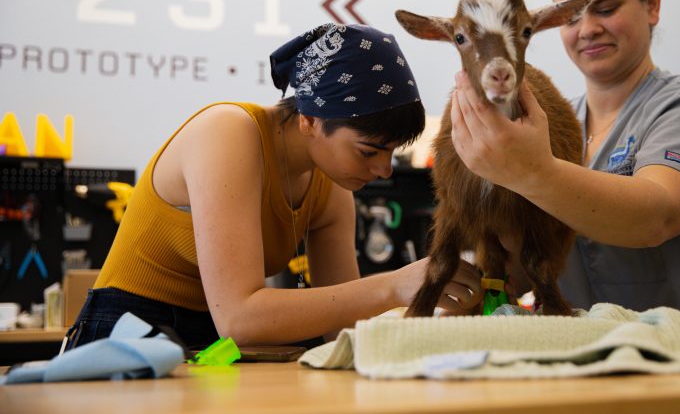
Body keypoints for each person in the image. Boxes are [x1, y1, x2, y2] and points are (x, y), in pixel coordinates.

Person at [65, 23, 483, 351]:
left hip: (211, 347)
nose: (385, 170)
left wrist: (439, 327)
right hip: (120, 336)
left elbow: (340, 329)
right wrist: (393, 285)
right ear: (310, 120)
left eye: (391, 153)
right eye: (369, 151)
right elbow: (240, 319)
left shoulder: (332, 185)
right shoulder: (227, 132)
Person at [449, 0, 680, 319]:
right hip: (589, 354)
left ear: (652, 5)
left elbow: (655, 218)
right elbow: (530, 264)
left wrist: (530, 172)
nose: (588, 29)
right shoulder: (550, 123)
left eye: (606, 9)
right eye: (572, 17)